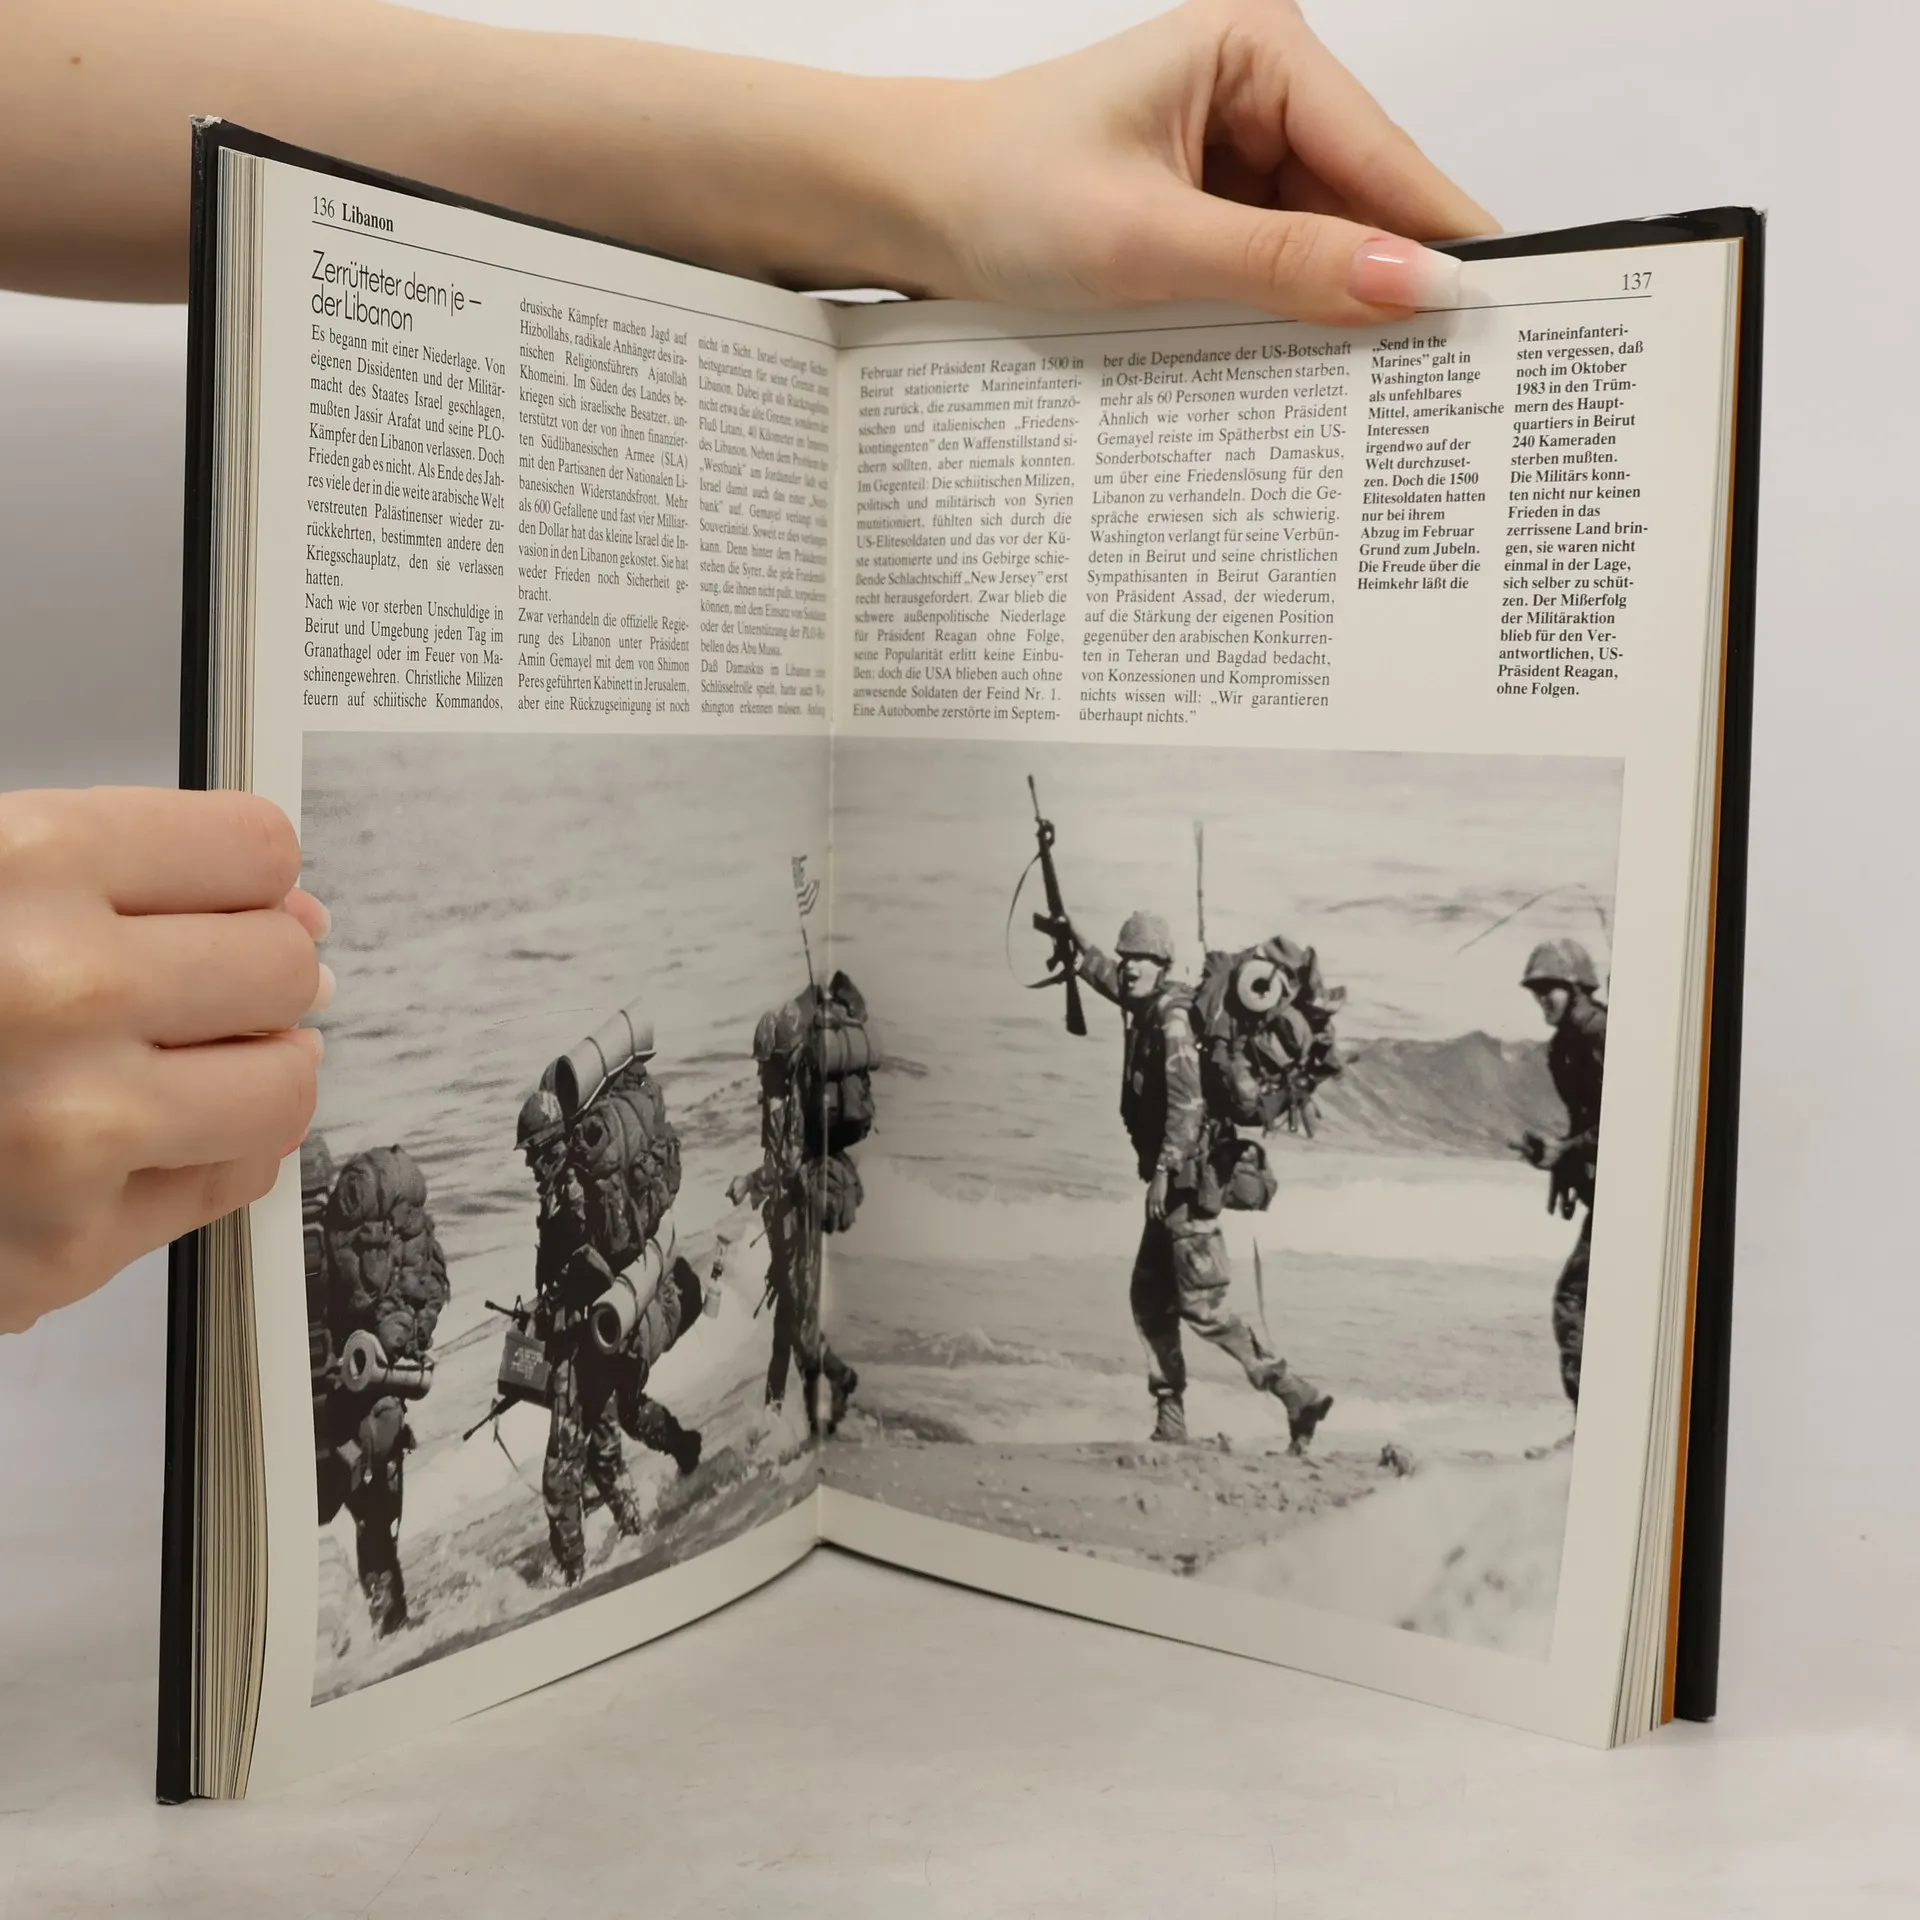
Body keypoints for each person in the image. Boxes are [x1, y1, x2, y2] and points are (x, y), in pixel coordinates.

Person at [0, 0, 1492, 1336]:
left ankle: (1226, 1391)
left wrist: (926, 176)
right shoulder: (1130, 1003)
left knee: (1156, 1299)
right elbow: (1097, 972)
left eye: (1154, 964)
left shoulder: (1165, 1020)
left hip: (1155, 1181)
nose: (1151, 974)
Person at [1072, 911, 1332, 1450]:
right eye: (1125, 958)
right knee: (1150, 1296)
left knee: (1204, 1309)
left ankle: (1294, 1394)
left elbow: (1187, 1106)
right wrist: (1074, 941)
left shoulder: (1172, 1021)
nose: (1129, 968)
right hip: (1176, 1186)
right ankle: (1171, 1419)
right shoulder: (1149, 1003)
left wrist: (1162, 1172)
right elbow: (1113, 981)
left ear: (1163, 964)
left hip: (1187, 1184)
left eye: (1141, 959)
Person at [517, 1084, 700, 1586]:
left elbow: (591, 1270)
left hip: (590, 1342)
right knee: (609, 1441)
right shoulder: (569, 1187)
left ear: (551, 1147)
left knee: (561, 1474)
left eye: (534, 1154)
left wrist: (554, 1307)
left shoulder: (572, 1195)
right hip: (605, 1339)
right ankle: (643, 1518)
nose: (530, 1165)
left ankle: (573, 1578)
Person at [304, 1129, 450, 1633]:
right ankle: (389, 1628)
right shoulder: (357, 1243)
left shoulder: (326, 1248)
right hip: (368, 1412)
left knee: (342, 1524)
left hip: (332, 1418)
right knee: (375, 1532)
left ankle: (370, 1633)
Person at [724, 994, 861, 1434]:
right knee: (785, 1328)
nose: (760, 1073)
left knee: (798, 1329)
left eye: (766, 1064)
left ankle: (836, 1385)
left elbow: (786, 1164)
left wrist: (749, 1181)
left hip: (801, 1222)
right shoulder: (784, 1096)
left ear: (782, 1059)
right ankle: (776, 1419)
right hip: (790, 1225)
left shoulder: (797, 1096)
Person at [1515, 938, 1607, 1409]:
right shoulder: (1561, 1049)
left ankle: (1591, 1423)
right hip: (1612, 1197)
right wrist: (1560, 1163)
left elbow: (1632, 1119)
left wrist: (1566, 1151)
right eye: (1536, 991)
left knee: (1573, 1302)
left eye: (1548, 988)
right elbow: (1585, 1121)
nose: (1541, 999)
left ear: (1576, 987)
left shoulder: (1603, 1034)